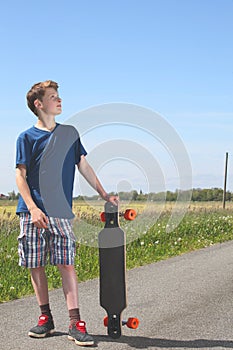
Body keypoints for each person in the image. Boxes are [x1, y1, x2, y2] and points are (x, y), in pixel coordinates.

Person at [15, 80, 118, 347]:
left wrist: (104, 194)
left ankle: (75, 323)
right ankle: (45, 318)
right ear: (39, 105)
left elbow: (83, 164)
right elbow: (20, 175)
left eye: (58, 96)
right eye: (53, 97)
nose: (59, 100)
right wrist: (34, 208)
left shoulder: (69, 133)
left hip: (61, 210)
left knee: (66, 263)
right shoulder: (26, 138)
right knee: (36, 265)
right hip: (32, 211)